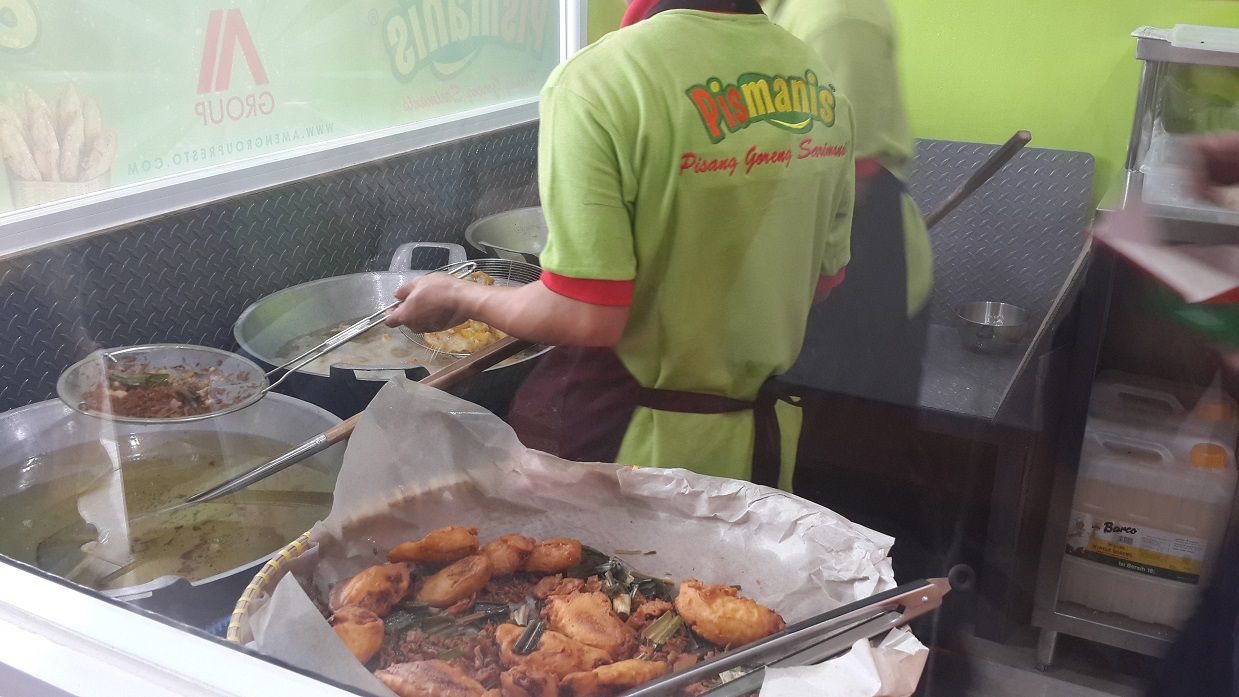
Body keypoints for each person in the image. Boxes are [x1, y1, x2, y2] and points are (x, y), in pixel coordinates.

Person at [386, 0, 856, 487]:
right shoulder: (816, 79)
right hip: (758, 438)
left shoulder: (603, 80)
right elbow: (820, 283)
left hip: (636, 450)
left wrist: (461, 296)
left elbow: (584, 313)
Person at [764, 0, 933, 408]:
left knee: (847, 436)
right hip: (807, 259)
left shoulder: (837, 16)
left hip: (854, 265)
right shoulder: (770, 12)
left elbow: (851, 176)